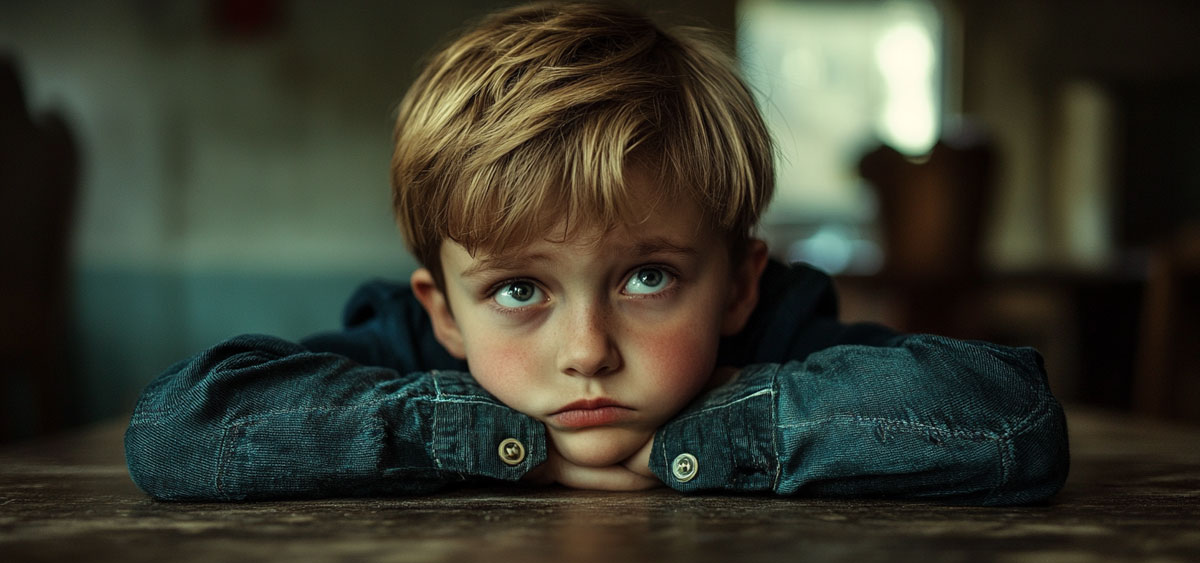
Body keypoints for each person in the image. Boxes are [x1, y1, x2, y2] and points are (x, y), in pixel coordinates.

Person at [125, 1, 1068, 504]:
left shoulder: (779, 333)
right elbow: (177, 430)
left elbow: (1011, 421)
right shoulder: (407, 351)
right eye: (519, 289)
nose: (587, 350)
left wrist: (701, 441)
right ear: (442, 311)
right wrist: (508, 449)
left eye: (648, 277)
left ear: (739, 285)